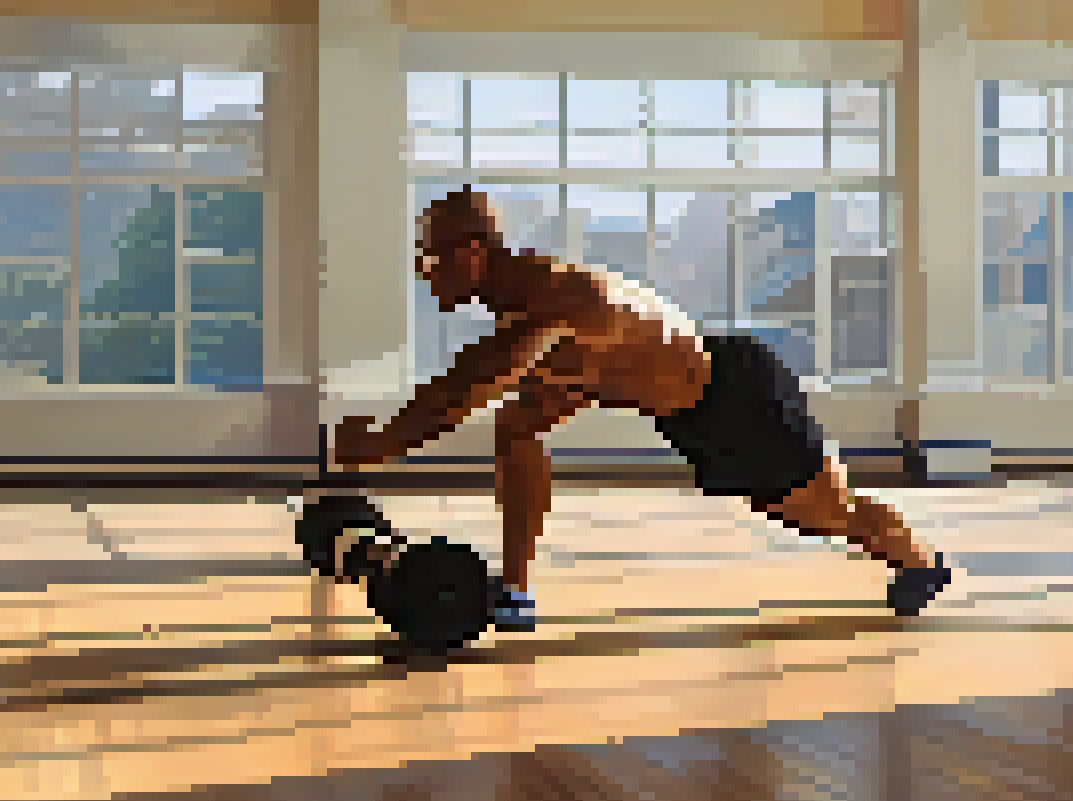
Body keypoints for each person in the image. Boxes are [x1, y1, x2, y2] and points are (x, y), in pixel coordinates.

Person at [333, 188, 955, 631]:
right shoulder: (524, 308)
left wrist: (382, 443)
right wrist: (386, 438)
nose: (425, 272)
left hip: (737, 401)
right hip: (688, 413)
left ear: (474, 252)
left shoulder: (555, 302)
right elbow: (478, 384)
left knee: (826, 515)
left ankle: (922, 562)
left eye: (433, 257)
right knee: (519, 426)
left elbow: (462, 389)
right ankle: (516, 591)